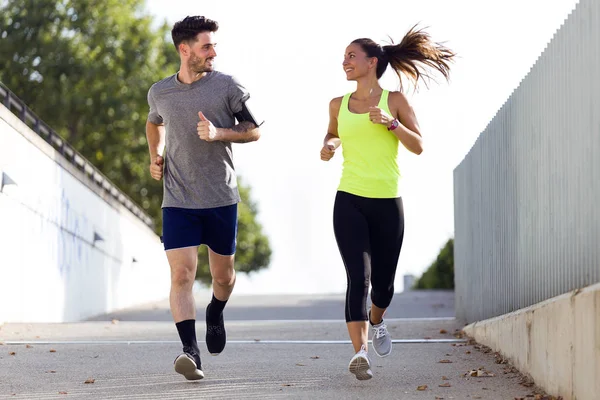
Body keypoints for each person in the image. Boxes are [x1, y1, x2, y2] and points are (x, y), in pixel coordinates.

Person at [320, 25, 455, 380]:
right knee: (358, 279)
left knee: (383, 286)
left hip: (386, 202)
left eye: (351, 56)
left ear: (371, 62)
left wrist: (392, 124)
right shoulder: (338, 104)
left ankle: (377, 320)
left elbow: (419, 145)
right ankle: (360, 353)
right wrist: (330, 146)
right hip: (349, 199)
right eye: (345, 56)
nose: (344, 61)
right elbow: (334, 133)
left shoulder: (394, 100)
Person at [145, 15, 262, 380]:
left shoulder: (227, 86)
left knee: (223, 278)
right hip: (177, 198)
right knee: (181, 274)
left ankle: (215, 312)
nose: (213, 51)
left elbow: (253, 131)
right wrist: (155, 155)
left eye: (213, 45)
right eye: (206, 45)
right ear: (185, 49)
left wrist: (219, 132)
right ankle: (190, 352)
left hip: (220, 197)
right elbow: (153, 122)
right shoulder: (160, 92)